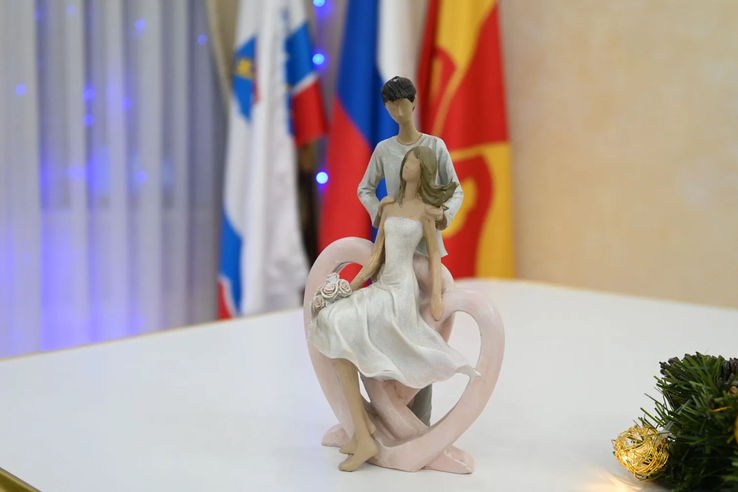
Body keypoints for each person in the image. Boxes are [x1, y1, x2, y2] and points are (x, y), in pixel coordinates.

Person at [308, 146, 478, 472]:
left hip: (401, 291)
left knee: (340, 327)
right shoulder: (388, 205)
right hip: (382, 285)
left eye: (413, 161)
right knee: (331, 324)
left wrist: (437, 296)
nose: (405, 165)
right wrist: (353, 284)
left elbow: (433, 255)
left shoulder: (426, 212)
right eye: (406, 160)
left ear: (423, 169)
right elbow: (376, 256)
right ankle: (362, 431)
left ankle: (365, 433)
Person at [357, 76, 463, 426]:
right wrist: (381, 212)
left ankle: (419, 415)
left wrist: (440, 215)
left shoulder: (434, 146)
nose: (399, 111)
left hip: (425, 248)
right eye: (391, 106)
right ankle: (387, 410)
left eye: (404, 103)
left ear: (414, 103)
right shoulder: (384, 150)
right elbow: (365, 188)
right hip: (395, 252)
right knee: (388, 327)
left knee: (424, 330)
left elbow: (456, 190)